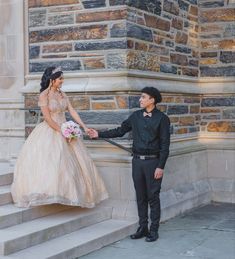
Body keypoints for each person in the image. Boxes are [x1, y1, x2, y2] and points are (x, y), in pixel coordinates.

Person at [11, 66, 108, 208]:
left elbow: (72, 111)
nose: (62, 81)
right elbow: (48, 119)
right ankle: (48, 192)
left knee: (73, 165)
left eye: (62, 78)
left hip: (67, 129)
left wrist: (84, 127)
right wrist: (62, 131)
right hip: (52, 130)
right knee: (52, 161)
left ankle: (70, 194)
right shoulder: (44, 95)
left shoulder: (62, 94)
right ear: (52, 80)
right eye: (60, 78)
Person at [89, 87, 170, 242]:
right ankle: (142, 227)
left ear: (152, 100)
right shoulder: (135, 116)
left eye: (143, 97)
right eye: (141, 97)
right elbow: (120, 131)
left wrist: (161, 166)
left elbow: (165, 145)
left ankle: (154, 230)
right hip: (137, 162)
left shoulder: (162, 119)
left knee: (153, 197)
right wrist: (99, 134)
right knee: (140, 196)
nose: (140, 100)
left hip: (153, 162)